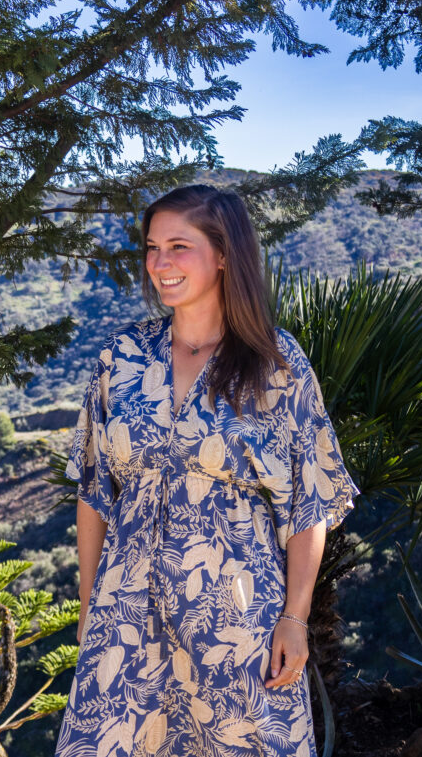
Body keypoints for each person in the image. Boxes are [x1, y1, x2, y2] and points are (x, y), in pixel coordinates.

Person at [53, 185, 359, 757]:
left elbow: (310, 502)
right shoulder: (120, 358)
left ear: (223, 254)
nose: (160, 264)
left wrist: (294, 617)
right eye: (151, 248)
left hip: (236, 611)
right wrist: (92, 605)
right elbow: (94, 492)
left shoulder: (276, 362)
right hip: (125, 610)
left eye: (178, 246)